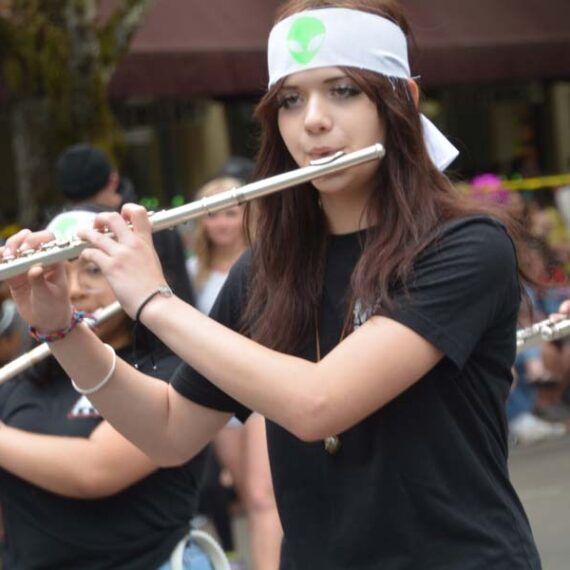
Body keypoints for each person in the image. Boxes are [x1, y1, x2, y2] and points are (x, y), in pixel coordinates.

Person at [3, 1, 541, 568]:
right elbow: (168, 432)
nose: (312, 120)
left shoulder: (466, 245)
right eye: (291, 99)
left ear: (401, 100)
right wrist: (62, 330)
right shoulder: (265, 271)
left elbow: (320, 403)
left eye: (343, 90)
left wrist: (154, 302)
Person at [0, 209, 213, 569]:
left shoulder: (171, 367)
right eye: (57, 271)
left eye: (93, 270)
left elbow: (95, 470)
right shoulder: (23, 378)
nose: (74, 289)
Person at [188, 173, 283, 570]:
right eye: (212, 214)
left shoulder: (268, 262)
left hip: (263, 388)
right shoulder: (190, 271)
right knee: (249, 493)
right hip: (217, 394)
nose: (222, 223)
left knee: (263, 497)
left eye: (230, 213)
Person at [55, 143, 195, 305]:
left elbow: (180, 295)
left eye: (94, 270)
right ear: (113, 179)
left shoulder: (152, 225)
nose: (75, 291)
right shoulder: (55, 231)